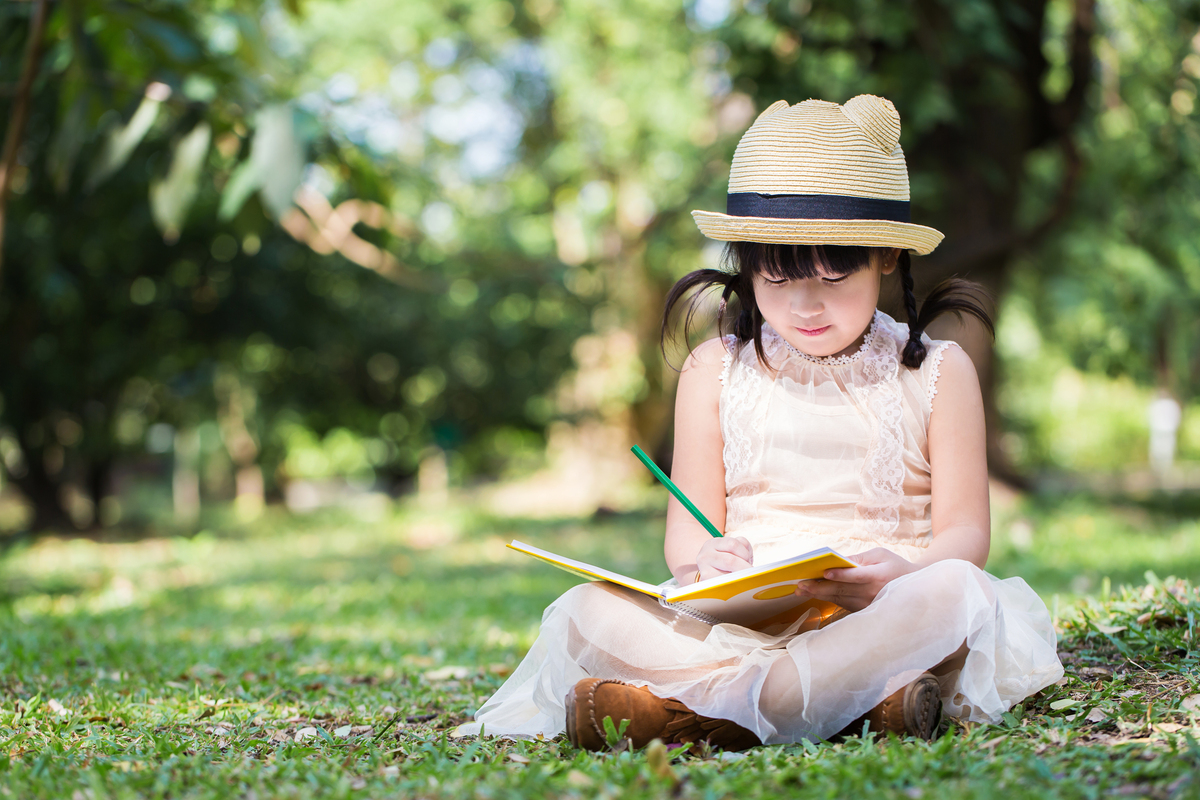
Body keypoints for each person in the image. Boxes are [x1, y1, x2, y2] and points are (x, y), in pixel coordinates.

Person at [456, 95, 1063, 750]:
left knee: (955, 592)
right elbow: (685, 542)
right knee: (583, 612)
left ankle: (698, 713)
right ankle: (851, 706)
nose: (805, 305)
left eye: (833, 278)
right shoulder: (712, 370)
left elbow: (966, 537)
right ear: (745, 264)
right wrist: (704, 560)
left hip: (882, 611)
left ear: (886, 255)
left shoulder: (939, 371)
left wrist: (900, 572)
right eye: (776, 279)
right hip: (745, 624)